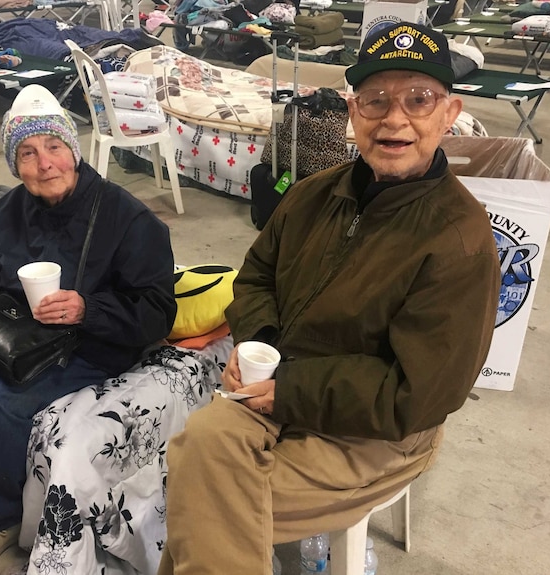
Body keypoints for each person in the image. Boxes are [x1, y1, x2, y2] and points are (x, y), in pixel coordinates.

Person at [157, 22, 500, 574]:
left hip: (378, 431)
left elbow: (417, 394)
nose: (394, 118)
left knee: (203, 496)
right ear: (351, 111)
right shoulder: (314, 194)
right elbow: (254, 279)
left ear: (449, 113)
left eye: (419, 99)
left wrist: (287, 388)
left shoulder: (458, 241)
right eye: (375, 99)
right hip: (281, 389)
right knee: (200, 447)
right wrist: (262, 347)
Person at [0, 85, 177, 575]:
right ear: (13, 165)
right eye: (28, 153)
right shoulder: (8, 211)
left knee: (0, 401)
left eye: (55, 147)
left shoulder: (127, 218)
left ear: (74, 151)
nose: (45, 164)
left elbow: (156, 309)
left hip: (93, 339)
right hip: (15, 326)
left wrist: (88, 309)